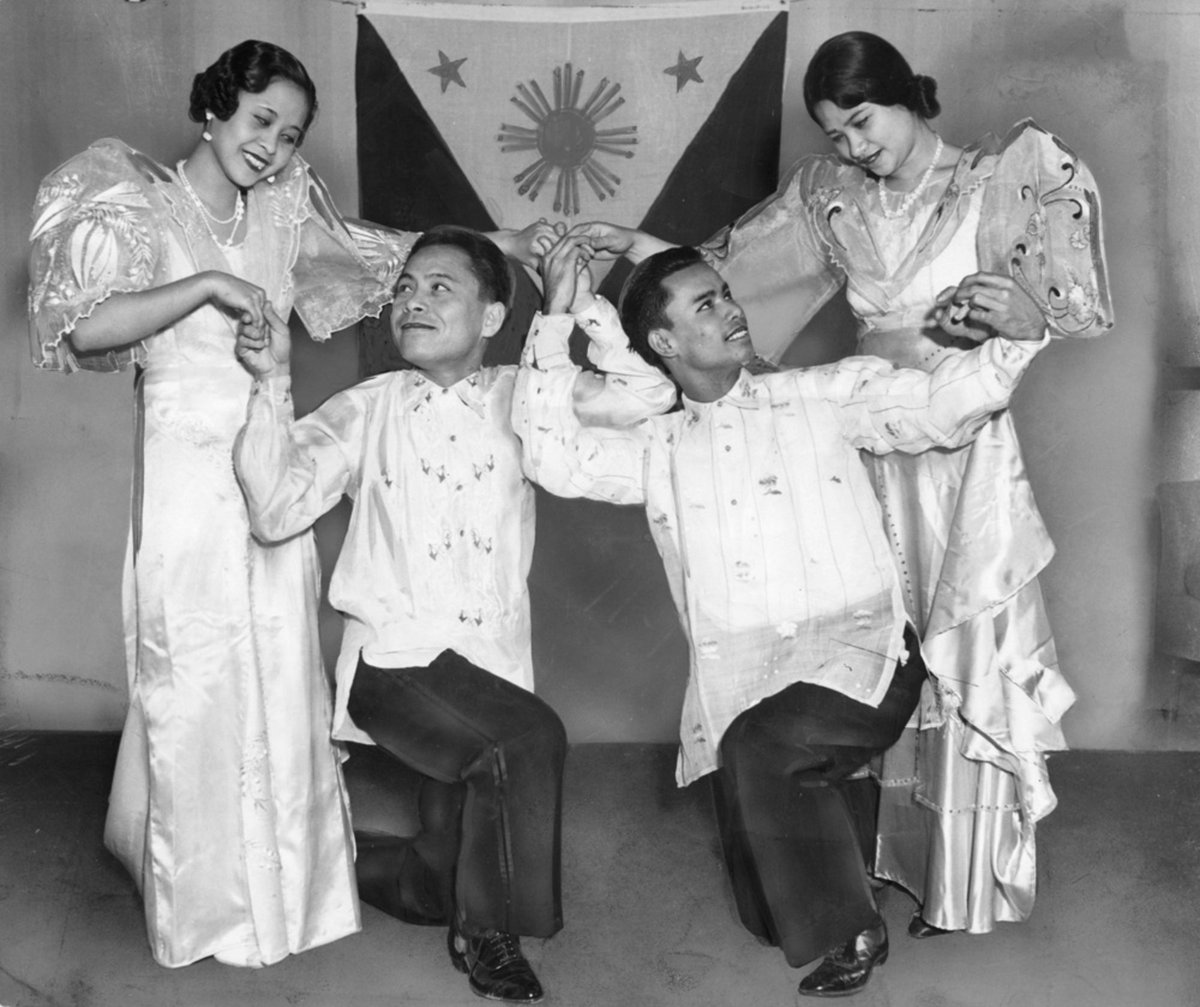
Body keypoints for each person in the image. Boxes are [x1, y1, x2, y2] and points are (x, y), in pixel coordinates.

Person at [573, 29, 1113, 939]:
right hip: (863, 451)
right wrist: (632, 243)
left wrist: (1013, 318)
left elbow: (1061, 308)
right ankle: (872, 863)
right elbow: (725, 276)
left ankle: (965, 884)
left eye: (863, 122)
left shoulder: (999, 175)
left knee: (965, 650)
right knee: (866, 655)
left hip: (957, 440)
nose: (854, 147)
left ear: (907, 95)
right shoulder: (834, 203)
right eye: (837, 135)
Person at [26, 40, 551, 969]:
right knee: (194, 678)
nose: (272, 145)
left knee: (273, 670)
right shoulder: (134, 193)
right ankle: (202, 904)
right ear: (215, 107)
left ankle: (279, 897)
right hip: (187, 475)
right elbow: (84, 324)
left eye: (291, 132)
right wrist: (210, 285)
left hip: (268, 454)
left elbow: (375, 253)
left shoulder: (279, 211)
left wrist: (499, 248)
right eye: (261, 119)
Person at [513, 240, 1048, 997]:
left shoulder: (822, 395)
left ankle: (853, 929)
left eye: (725, 292)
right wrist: (556, 315)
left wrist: (1020, 338)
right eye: (707, 304)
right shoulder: (657, 447)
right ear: (663, 342)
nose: (732, 309)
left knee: (767, 751)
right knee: (765, 911)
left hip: (864, 661)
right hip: (745, 687)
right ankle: (837, 834)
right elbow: (549, 455)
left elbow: (935, 405)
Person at [231, 225, 674, 1002]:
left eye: (440, 287)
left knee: (434, 881)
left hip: (488, 672)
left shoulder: (526, 392)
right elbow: (273, 509)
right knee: (527, 739)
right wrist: (270, 380)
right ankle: (489, 934)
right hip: (393, 664)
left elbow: (649, 395)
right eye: (404, 288)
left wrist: (570, 310)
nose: (412, 301)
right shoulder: (367, 407)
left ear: (496, 316)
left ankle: (331, 859)